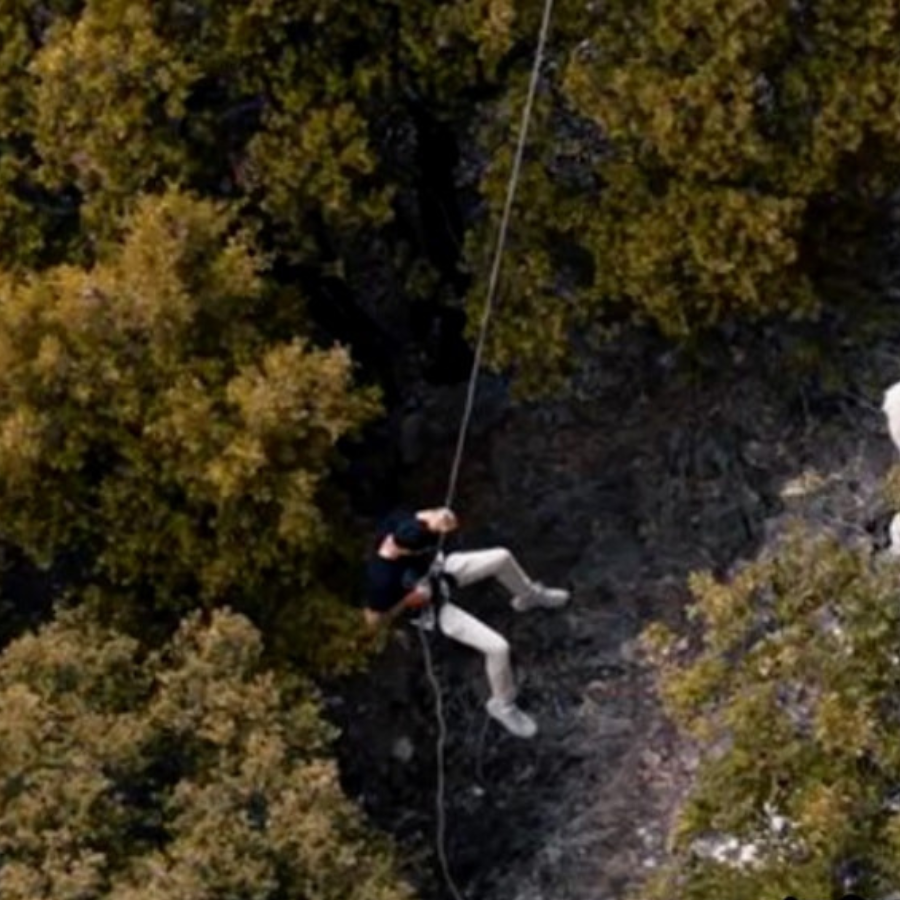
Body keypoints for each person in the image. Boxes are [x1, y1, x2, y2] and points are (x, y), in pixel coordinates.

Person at [363, 506, 570, 738]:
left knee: (501, 556)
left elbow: (433, 516)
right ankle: (502, 705)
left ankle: (528, 596)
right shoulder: (382, 579)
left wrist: (444, 518)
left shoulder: (403, 523)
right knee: (498, 648)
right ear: (405, 552)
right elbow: (374, 621)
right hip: (429, 605)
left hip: (438, 572)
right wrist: (406, 602)